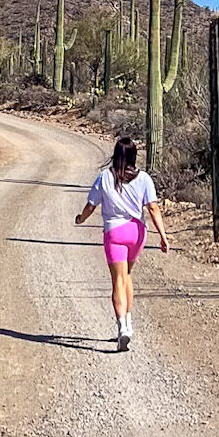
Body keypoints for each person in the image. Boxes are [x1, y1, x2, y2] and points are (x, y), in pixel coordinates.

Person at [75, 136, 169, 351]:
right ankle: (129, 322)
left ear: (116, 155)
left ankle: (122, 328)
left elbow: (91, 205)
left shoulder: (104, 178)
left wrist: (81, 219)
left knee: (118, 279)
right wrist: (163, 236)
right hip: (137, 233)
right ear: (134, 156)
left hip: (115, 233)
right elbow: (153, 208)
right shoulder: (144, 178)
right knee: (127, 276)